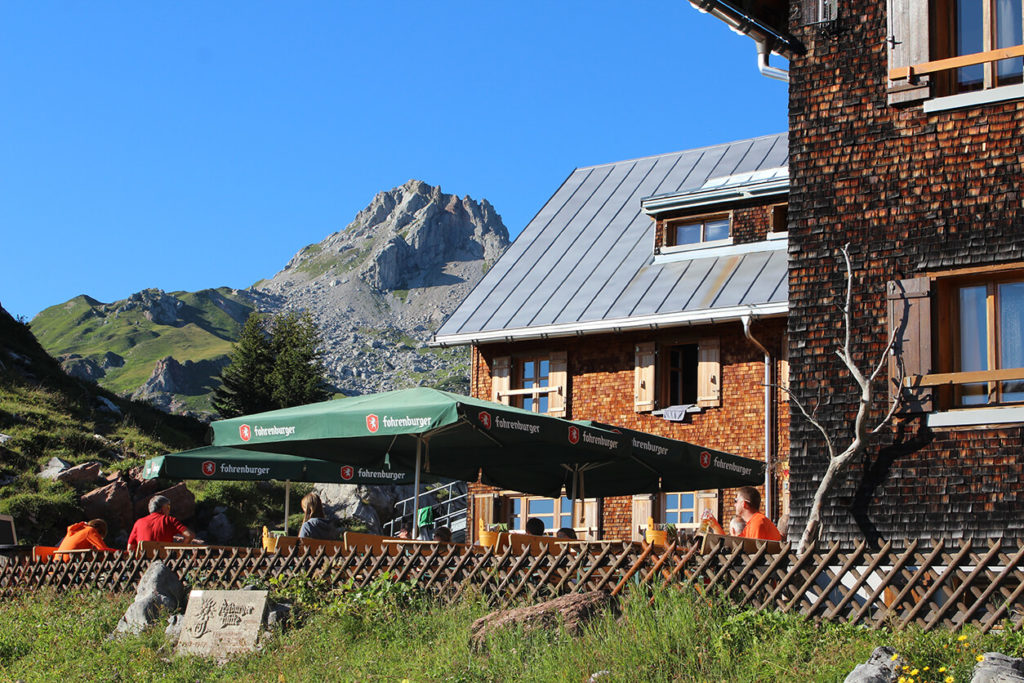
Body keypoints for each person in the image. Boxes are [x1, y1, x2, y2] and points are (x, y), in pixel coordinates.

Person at [127, 495, 195, 552]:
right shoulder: (169, 520)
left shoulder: (139, 523)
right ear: (162, 508)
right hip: (166, 560)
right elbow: (189, 535)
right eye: (168, 507)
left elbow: (130, 547)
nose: (169, 510)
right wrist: (180, 550)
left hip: (143, 562)